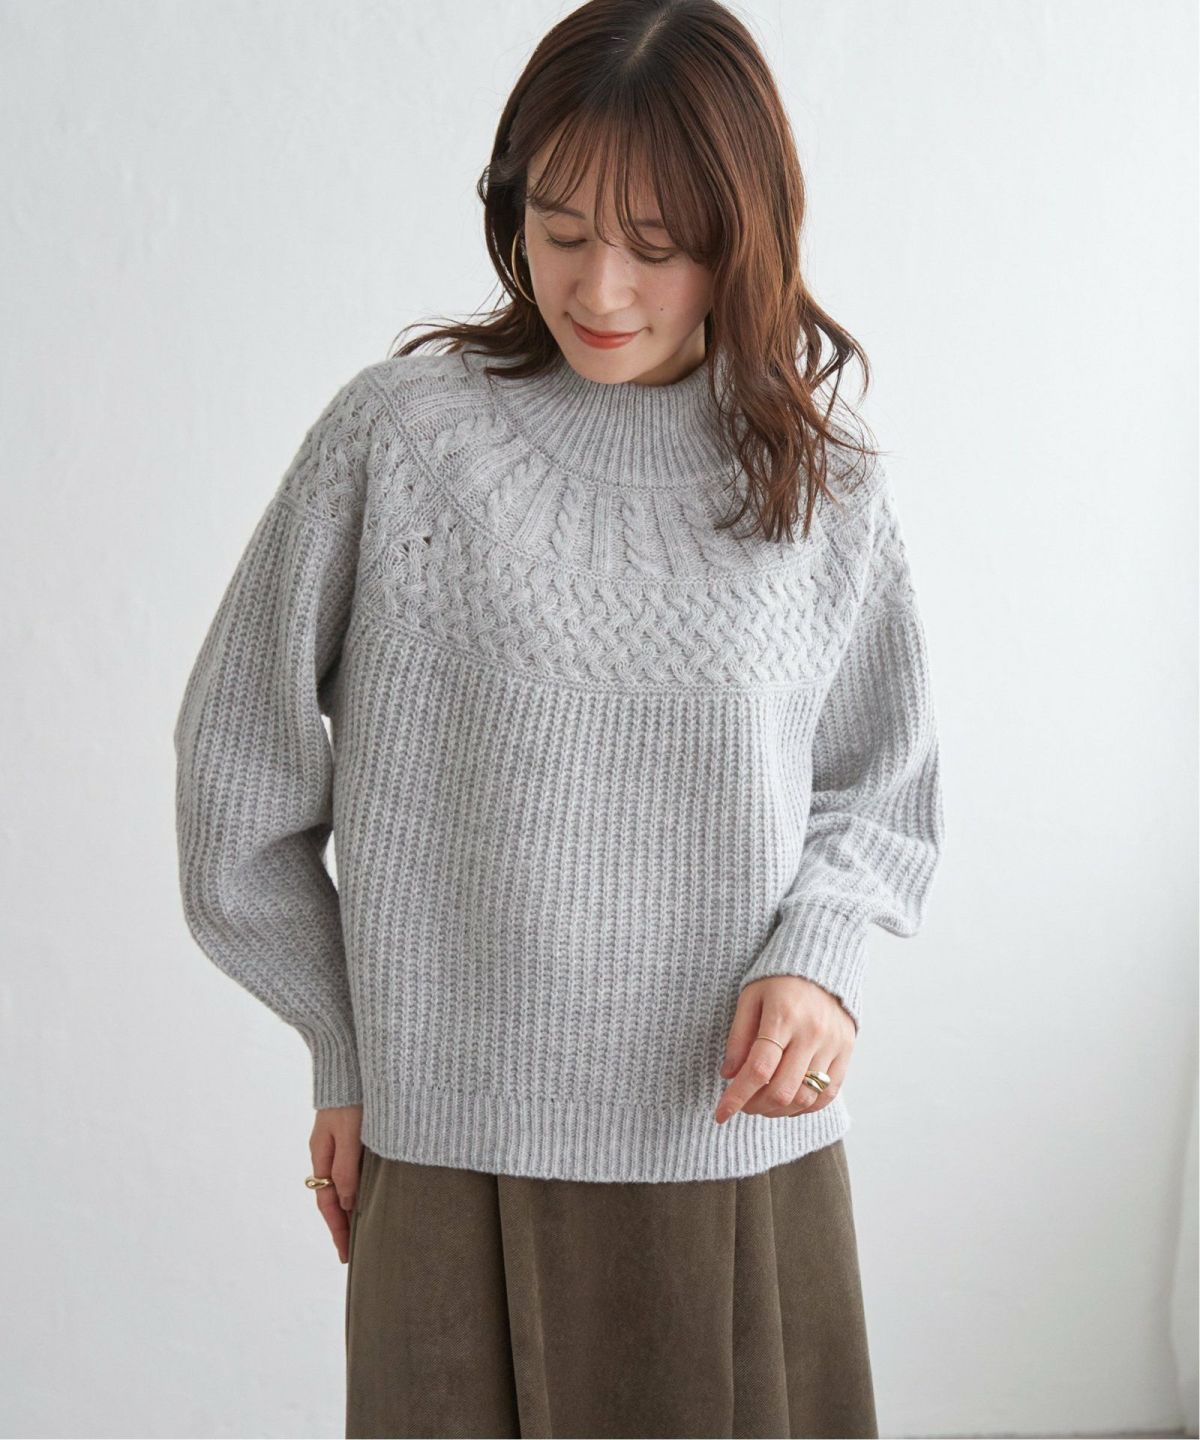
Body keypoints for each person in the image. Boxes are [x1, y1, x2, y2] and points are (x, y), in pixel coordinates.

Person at [172, 1, 945, 1435]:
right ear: (509, 205)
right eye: (561, 226)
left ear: (744, 236)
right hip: (446, 1148)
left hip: (731, 1149)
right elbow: (235, 771)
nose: (599, 285)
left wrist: (820, 963)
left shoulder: (820, 482)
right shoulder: (400, 441)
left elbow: (881, 788)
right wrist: (345, 1044)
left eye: (658, 245)